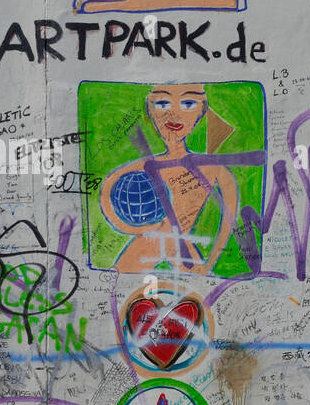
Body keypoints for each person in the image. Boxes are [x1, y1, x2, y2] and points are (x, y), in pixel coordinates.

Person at [99, 83, 241, 275]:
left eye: (188, 103)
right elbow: (106, 193)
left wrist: (211, 262)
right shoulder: (144, 166)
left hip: (184, 255)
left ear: (202, 109)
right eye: (163, 103)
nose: (174, 114)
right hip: (142, 252)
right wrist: (143, 227)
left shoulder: (214, 168)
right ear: (150, 109)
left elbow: (229, 217)